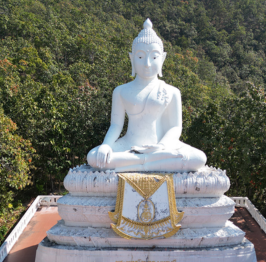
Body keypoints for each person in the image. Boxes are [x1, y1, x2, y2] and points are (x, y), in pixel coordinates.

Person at [87, 18, 207, 173]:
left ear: (162, 59)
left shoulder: (172, 91)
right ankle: (147, 163)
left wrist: (162, 146)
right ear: (132, 58)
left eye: (154, 57)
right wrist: (106, 145)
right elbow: (116, 125)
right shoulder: (121, 91)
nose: (147, 64)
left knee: (199, 159)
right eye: (140, 57)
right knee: (93, 157)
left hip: (162, 147)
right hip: (129, 145)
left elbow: (175, 127)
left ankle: (138, 164)